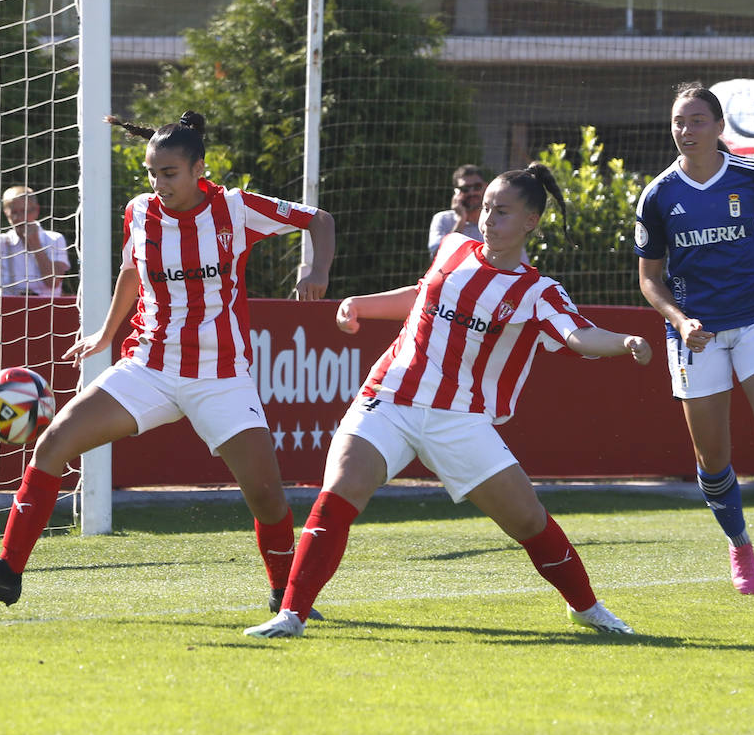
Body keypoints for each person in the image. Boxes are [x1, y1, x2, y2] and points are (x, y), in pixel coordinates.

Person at [0, 110, 337, 613]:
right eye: (151, 173)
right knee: (53, 443)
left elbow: (318, 220)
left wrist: (314, 266)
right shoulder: (140, 211)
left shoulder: (235, 209)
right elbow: (132, 271)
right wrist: (105, 334)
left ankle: (286, 594)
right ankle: (7, 572)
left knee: (266, 496)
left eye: (169, 173)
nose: (159, 183)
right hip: (148, 365)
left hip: (220, 375)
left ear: (200, 169)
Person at [245, 163, 651, 639]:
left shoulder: (537, 291)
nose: (487, 219)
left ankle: (586, 607)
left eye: (501, 212)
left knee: (528, 521)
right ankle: (291, 614)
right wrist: (361, 304)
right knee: (336, 496)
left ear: (530, 222)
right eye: (485, 209)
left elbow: (577, 335)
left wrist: (624, 342)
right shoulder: (455, 248)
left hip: (460, 419)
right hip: (389, 396)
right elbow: (421, 296)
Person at [635, 81, 754, 599]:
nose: (686, 131)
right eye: (678, 122)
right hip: (696, 334)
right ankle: (738, 543)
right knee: (713, 458)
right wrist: (680, 320)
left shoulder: (751, 177)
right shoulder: (658, 194)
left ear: (719, 126)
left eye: (696, 121)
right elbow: (649, 279)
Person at [0, 185, 70, 296]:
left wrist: (36, 244)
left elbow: (53, 282)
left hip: (47, 309)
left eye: (25, 211)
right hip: (8, 309)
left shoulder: (55, 239)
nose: (20, 218)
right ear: (7, 213)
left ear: (36, 210)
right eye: (14, 212)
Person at [427, 164, 487, 254]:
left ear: (486, 187)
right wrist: (460, 220)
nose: (472, 192)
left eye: (477, 186)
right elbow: (437, 254)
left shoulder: (493, 220)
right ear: (456, 192)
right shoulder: (443, 219)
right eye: (465, 189)